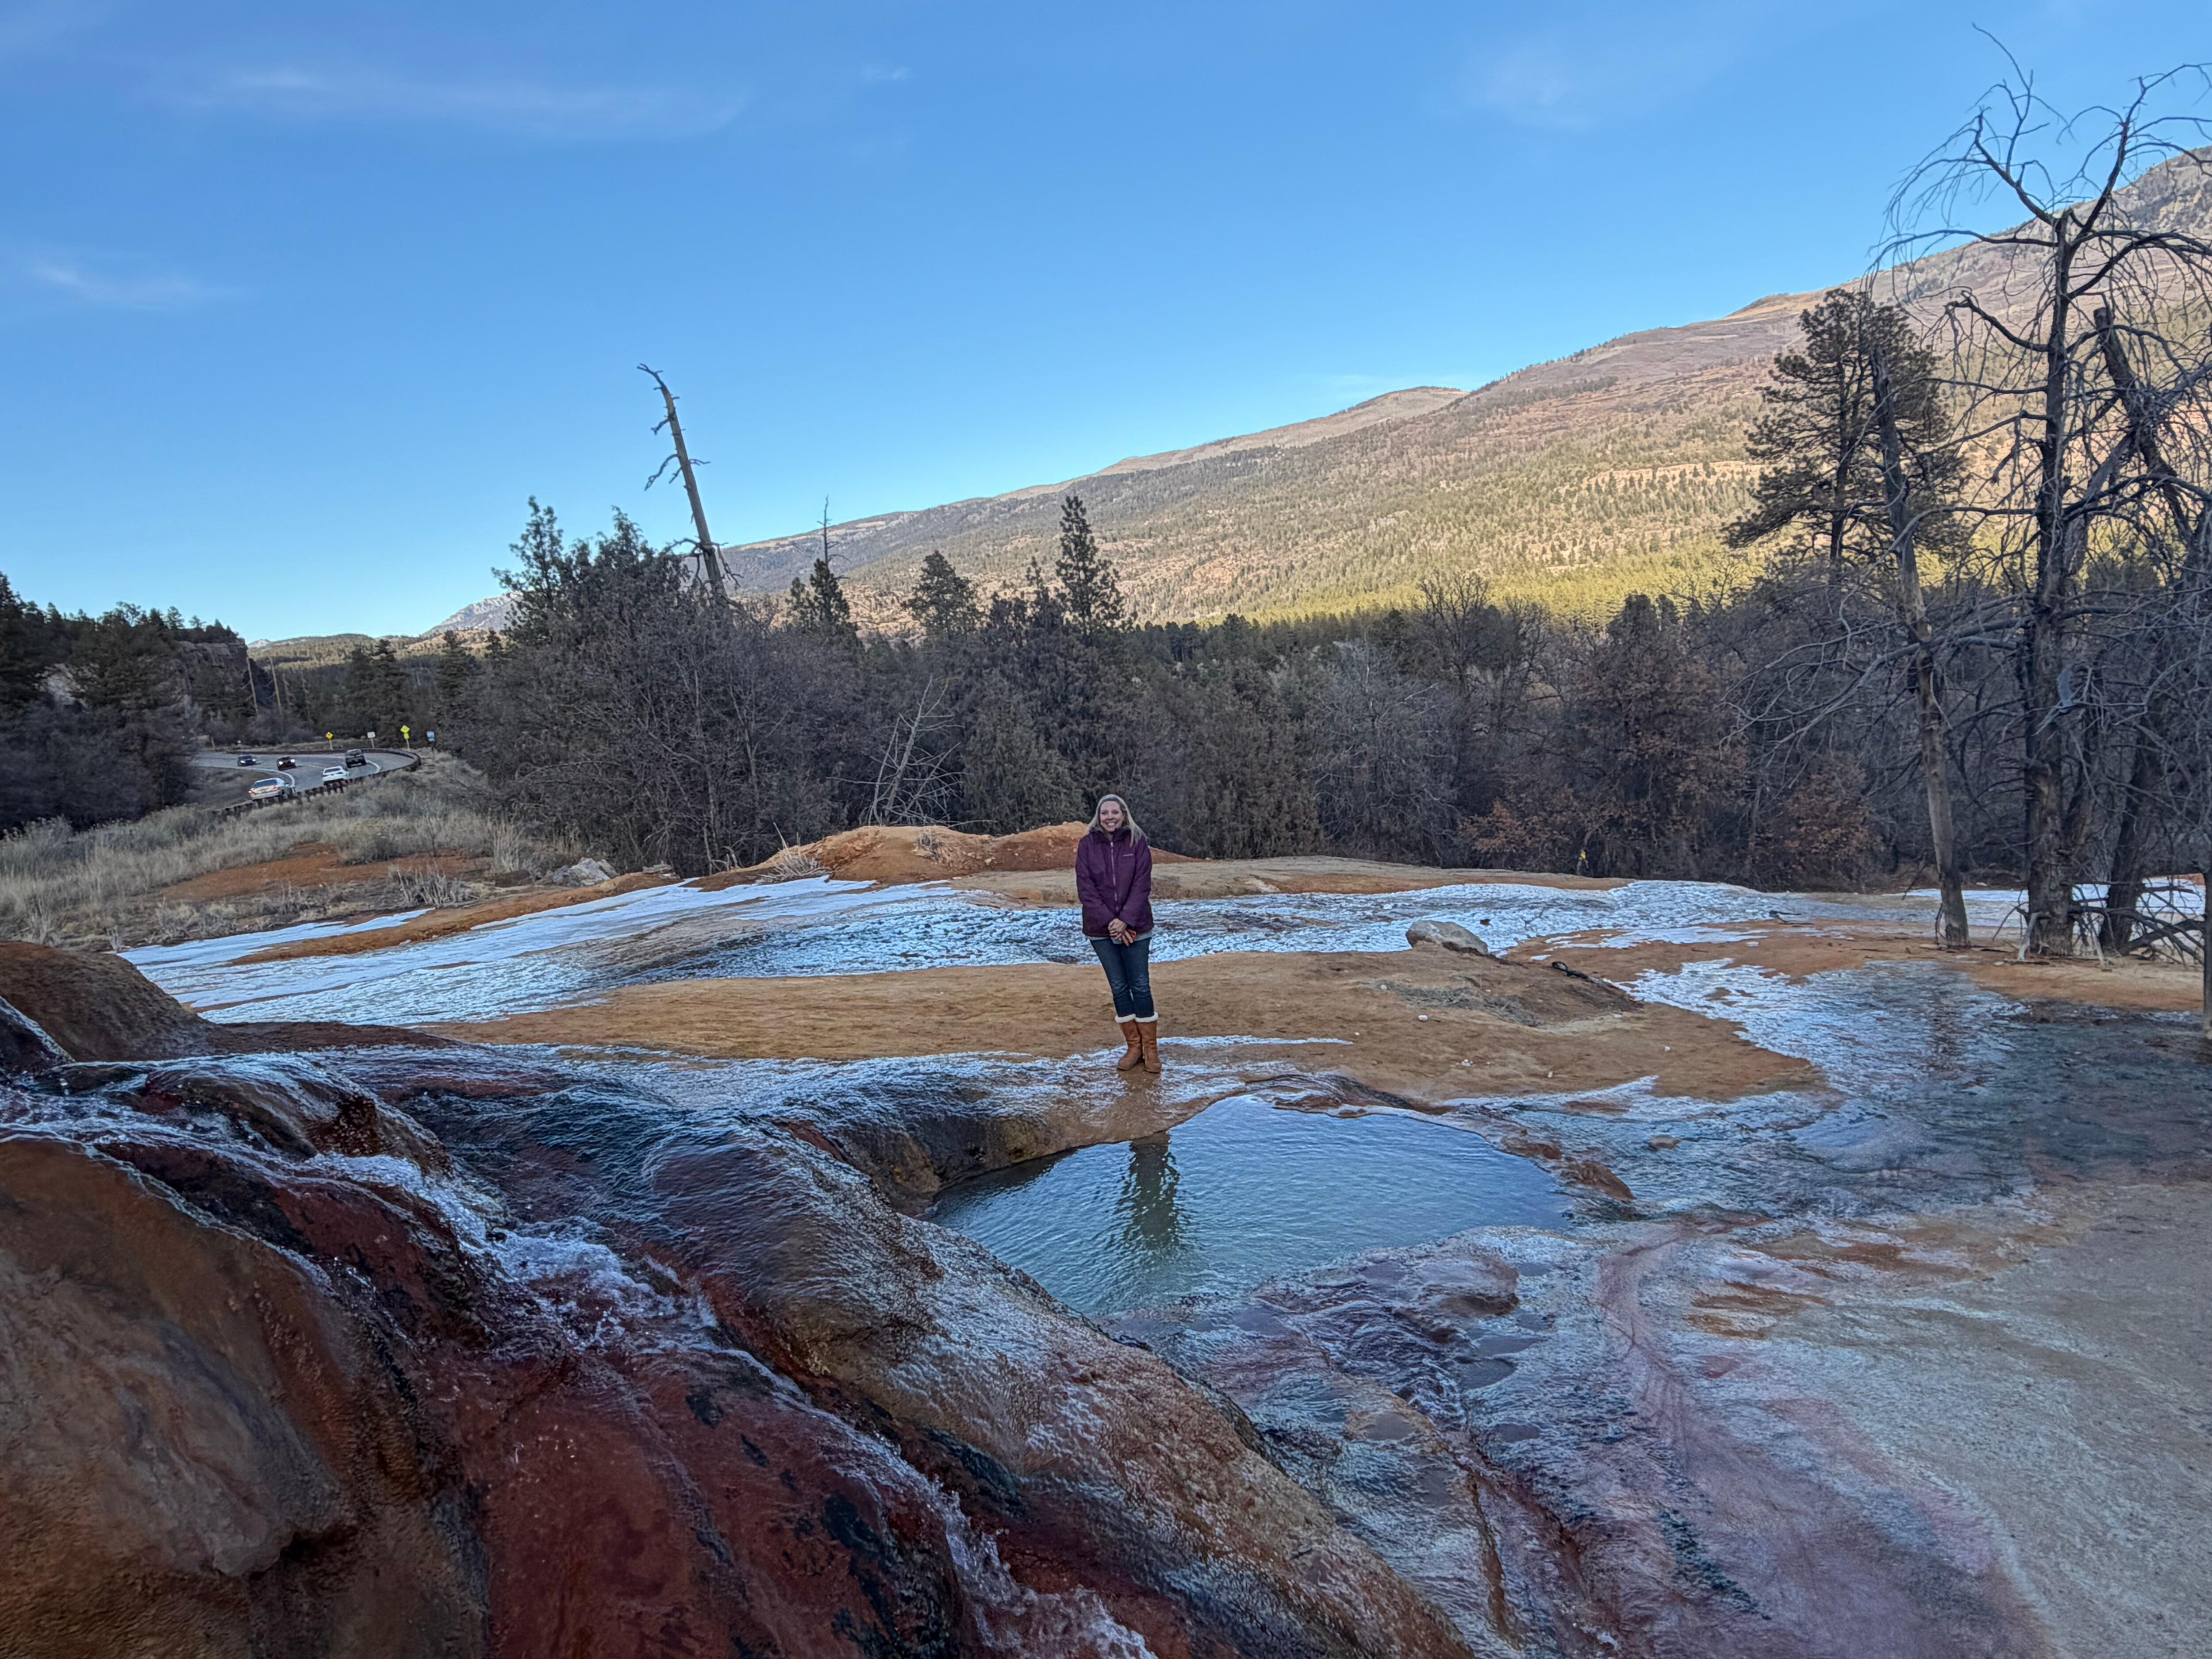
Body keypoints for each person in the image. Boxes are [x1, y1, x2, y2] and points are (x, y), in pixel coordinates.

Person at [1075, 793, 1158, 1073]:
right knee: (1120, 987)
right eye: (1105, 813)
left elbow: (1142, 886)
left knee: (1141, 985)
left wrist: (1125, 921)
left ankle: (1151, 1050)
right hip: (1101, 930)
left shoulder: (1137, 842)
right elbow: (1086, 890)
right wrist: (1112, 922)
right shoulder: (1087, 846)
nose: (1110, 817)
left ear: (1124, 814)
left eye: (1115, 812)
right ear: (1098, 816)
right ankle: (1133, 1047)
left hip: (1137, 926)